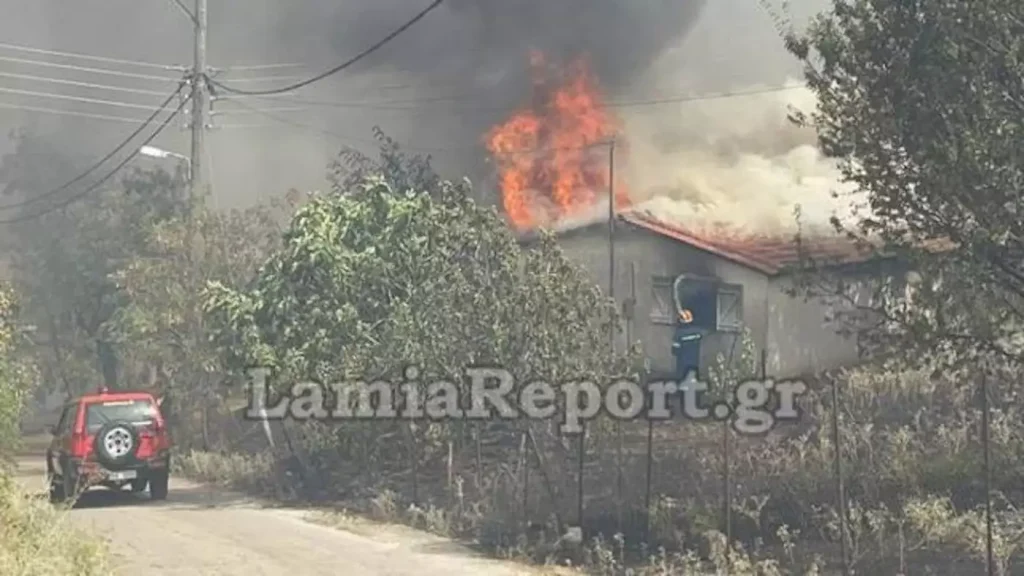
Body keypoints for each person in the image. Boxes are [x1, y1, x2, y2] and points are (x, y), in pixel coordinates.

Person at [672, 308, 702, 381]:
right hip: (694, 363)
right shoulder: (697, 332)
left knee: (682, 383)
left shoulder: (678, 334)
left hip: (682, 366)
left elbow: (674, 351)